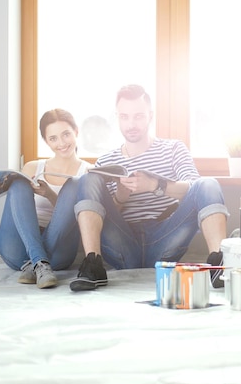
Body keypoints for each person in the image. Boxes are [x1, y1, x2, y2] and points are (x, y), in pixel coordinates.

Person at [70, 84, 229, 292]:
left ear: (150, 116)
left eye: (138, 116)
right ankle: (92, 265)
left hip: (165, 236)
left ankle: (219, 266)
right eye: (125, 117)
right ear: (117, 117)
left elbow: (194, 188)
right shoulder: (107, 161)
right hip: (123, 242)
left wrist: (156, 185)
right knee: (86, 179)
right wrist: (120, 197)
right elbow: (102, 219)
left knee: (208, 183)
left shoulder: (173, 149)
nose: (131, 124)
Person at [0, 109, 92, 289]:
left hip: (58, 249)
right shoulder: (33, 167)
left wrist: (49, 194)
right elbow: (17, 211)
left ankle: (37, 263)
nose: (61, 143)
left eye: (66, 135)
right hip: (19, 248)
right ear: (46, 141)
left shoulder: (88, 171)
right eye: (53, 138)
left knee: (74, 185)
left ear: (76, 132)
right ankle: (39, 261)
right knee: (18, 184)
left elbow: (81, 220)